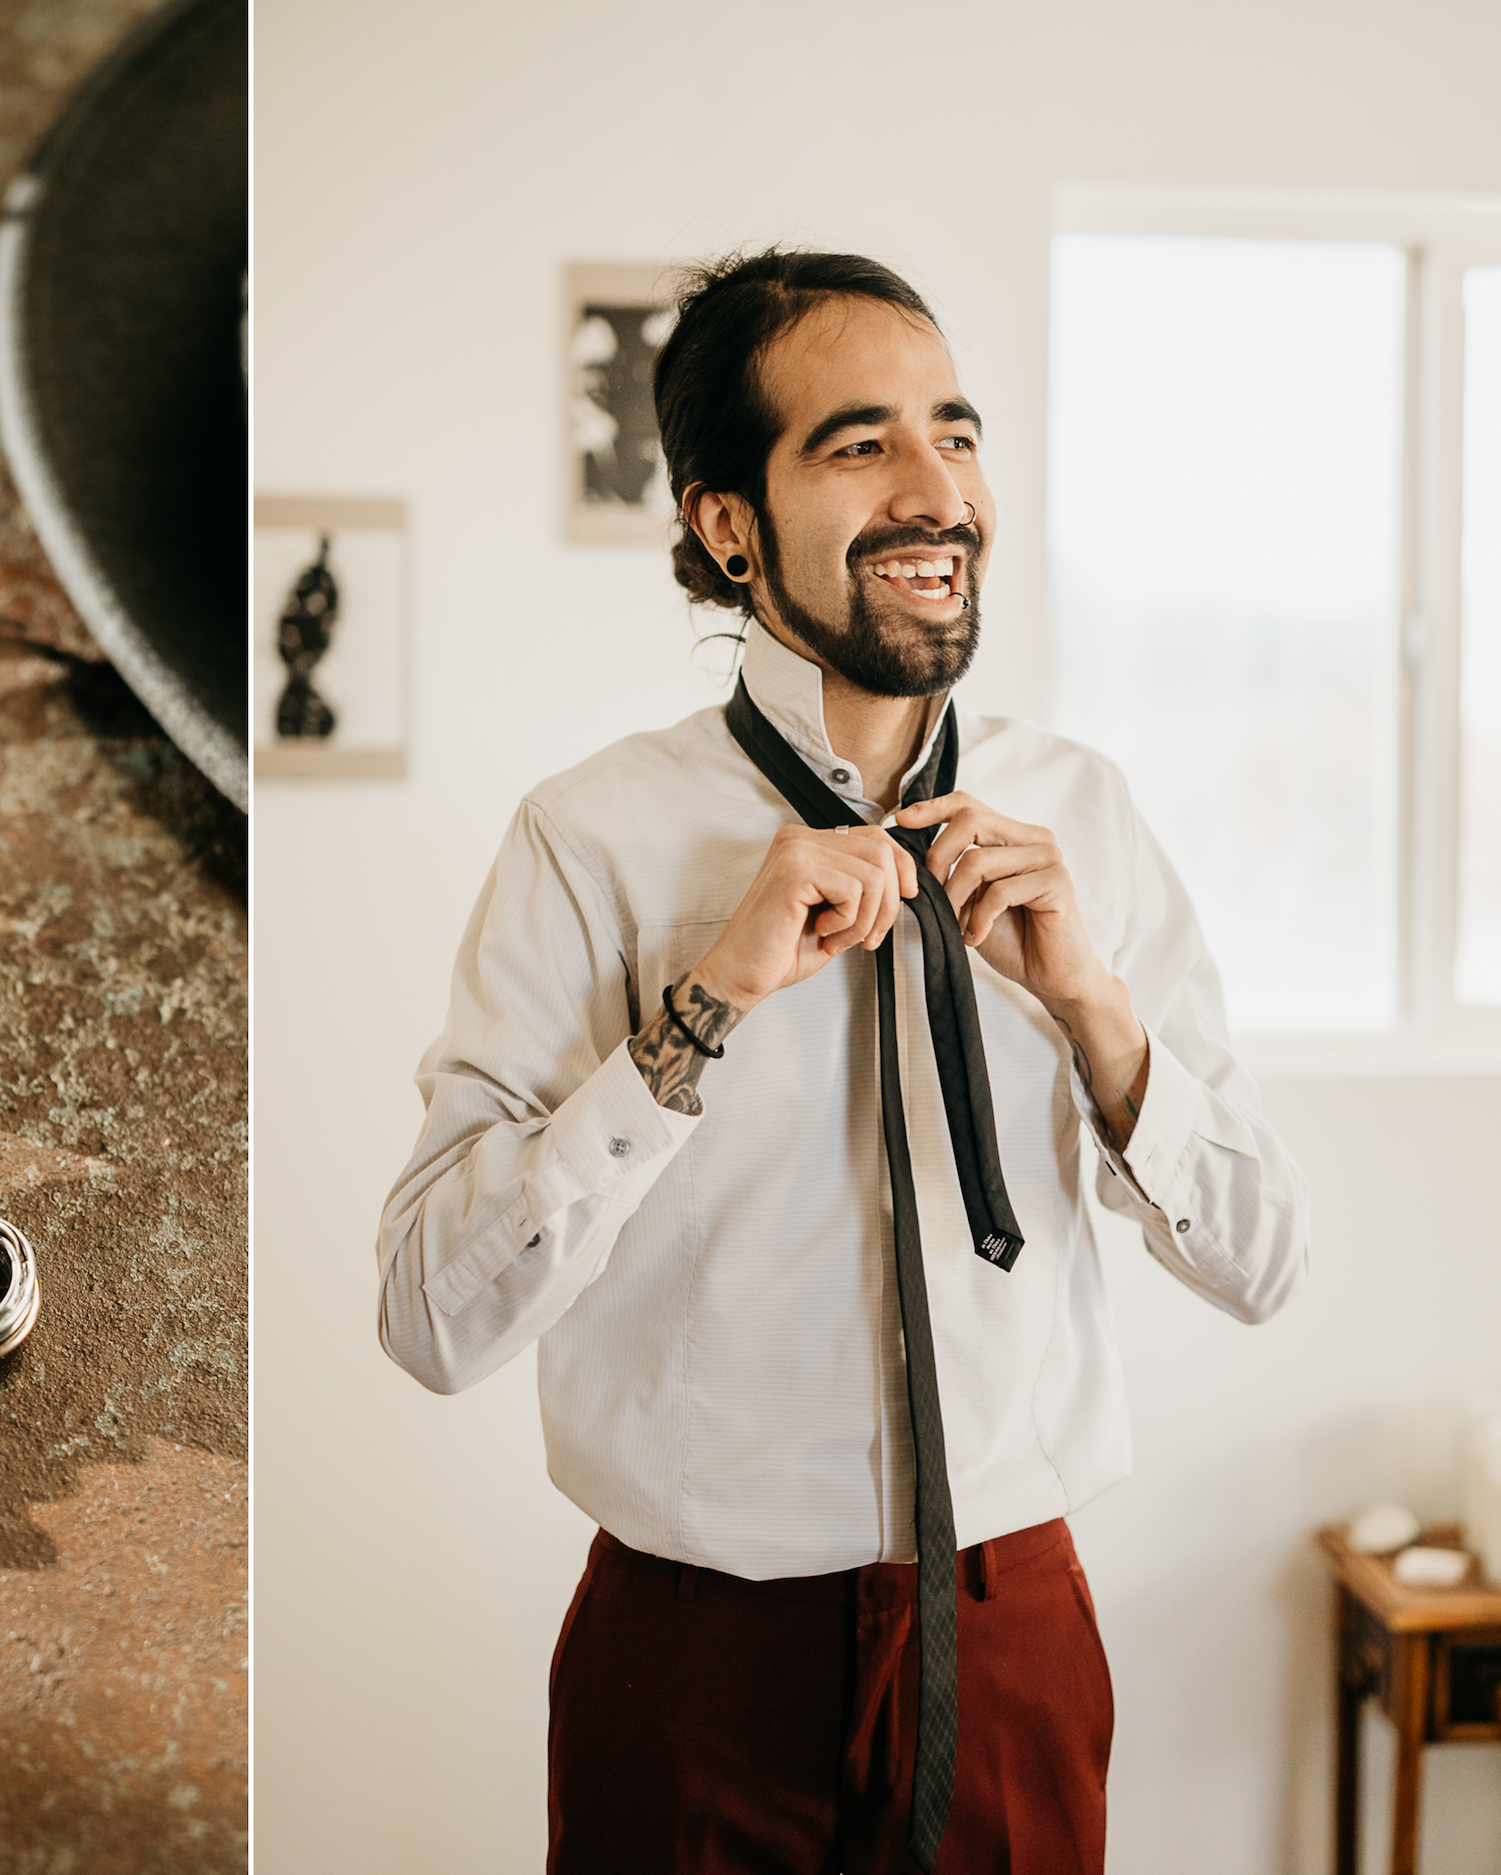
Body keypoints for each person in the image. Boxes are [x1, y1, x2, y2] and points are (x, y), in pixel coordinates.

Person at [375, 249, 1309, 1875]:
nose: (939, 490)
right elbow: (428, 1320)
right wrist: (706, 1003)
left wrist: (1093, 1008)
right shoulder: (589, 841)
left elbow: (1266, 1266)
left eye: (957, 433)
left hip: (1014, 1637)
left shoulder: (1083, 818)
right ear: (728, 521)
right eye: (861, 443)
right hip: (693, 1670)